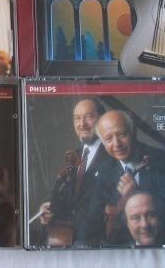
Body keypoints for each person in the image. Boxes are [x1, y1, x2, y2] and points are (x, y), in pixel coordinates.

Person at [97, 110, 165, 246]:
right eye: (109, 139)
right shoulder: (103, 170)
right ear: (103, 144)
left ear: (133, 132)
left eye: (122, 134)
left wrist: (136, 195)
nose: (117, 144)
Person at [38, 99, 115, 247]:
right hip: (69, 240)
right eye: (77, 118)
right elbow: (74, 202)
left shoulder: (113, 155)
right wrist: (51, 210)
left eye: (89, 116)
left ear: (102, 119)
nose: (82, 124)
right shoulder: (74, 156)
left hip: (97, 244)